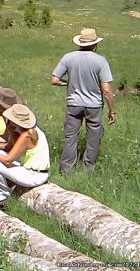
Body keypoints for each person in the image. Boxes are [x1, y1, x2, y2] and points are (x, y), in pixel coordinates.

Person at [50, 27, 115, 173]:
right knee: (93, 139)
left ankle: (66, 170)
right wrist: (112, 110)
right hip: (94, 106)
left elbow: (54, 80)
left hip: (74, 103)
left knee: (70, 138)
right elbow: (106, 89)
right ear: (95, 44)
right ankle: (88, 169)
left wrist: (69, 82)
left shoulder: (68, 57)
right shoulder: (100, 61)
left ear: (80, 42)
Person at [0, 103, 50, 205]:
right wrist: (9, 132)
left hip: (34, 176)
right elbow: (10, 148)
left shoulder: (26, 136)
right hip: (36, 172)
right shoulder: (34, 131)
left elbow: (8, 160)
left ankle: (1, 196)